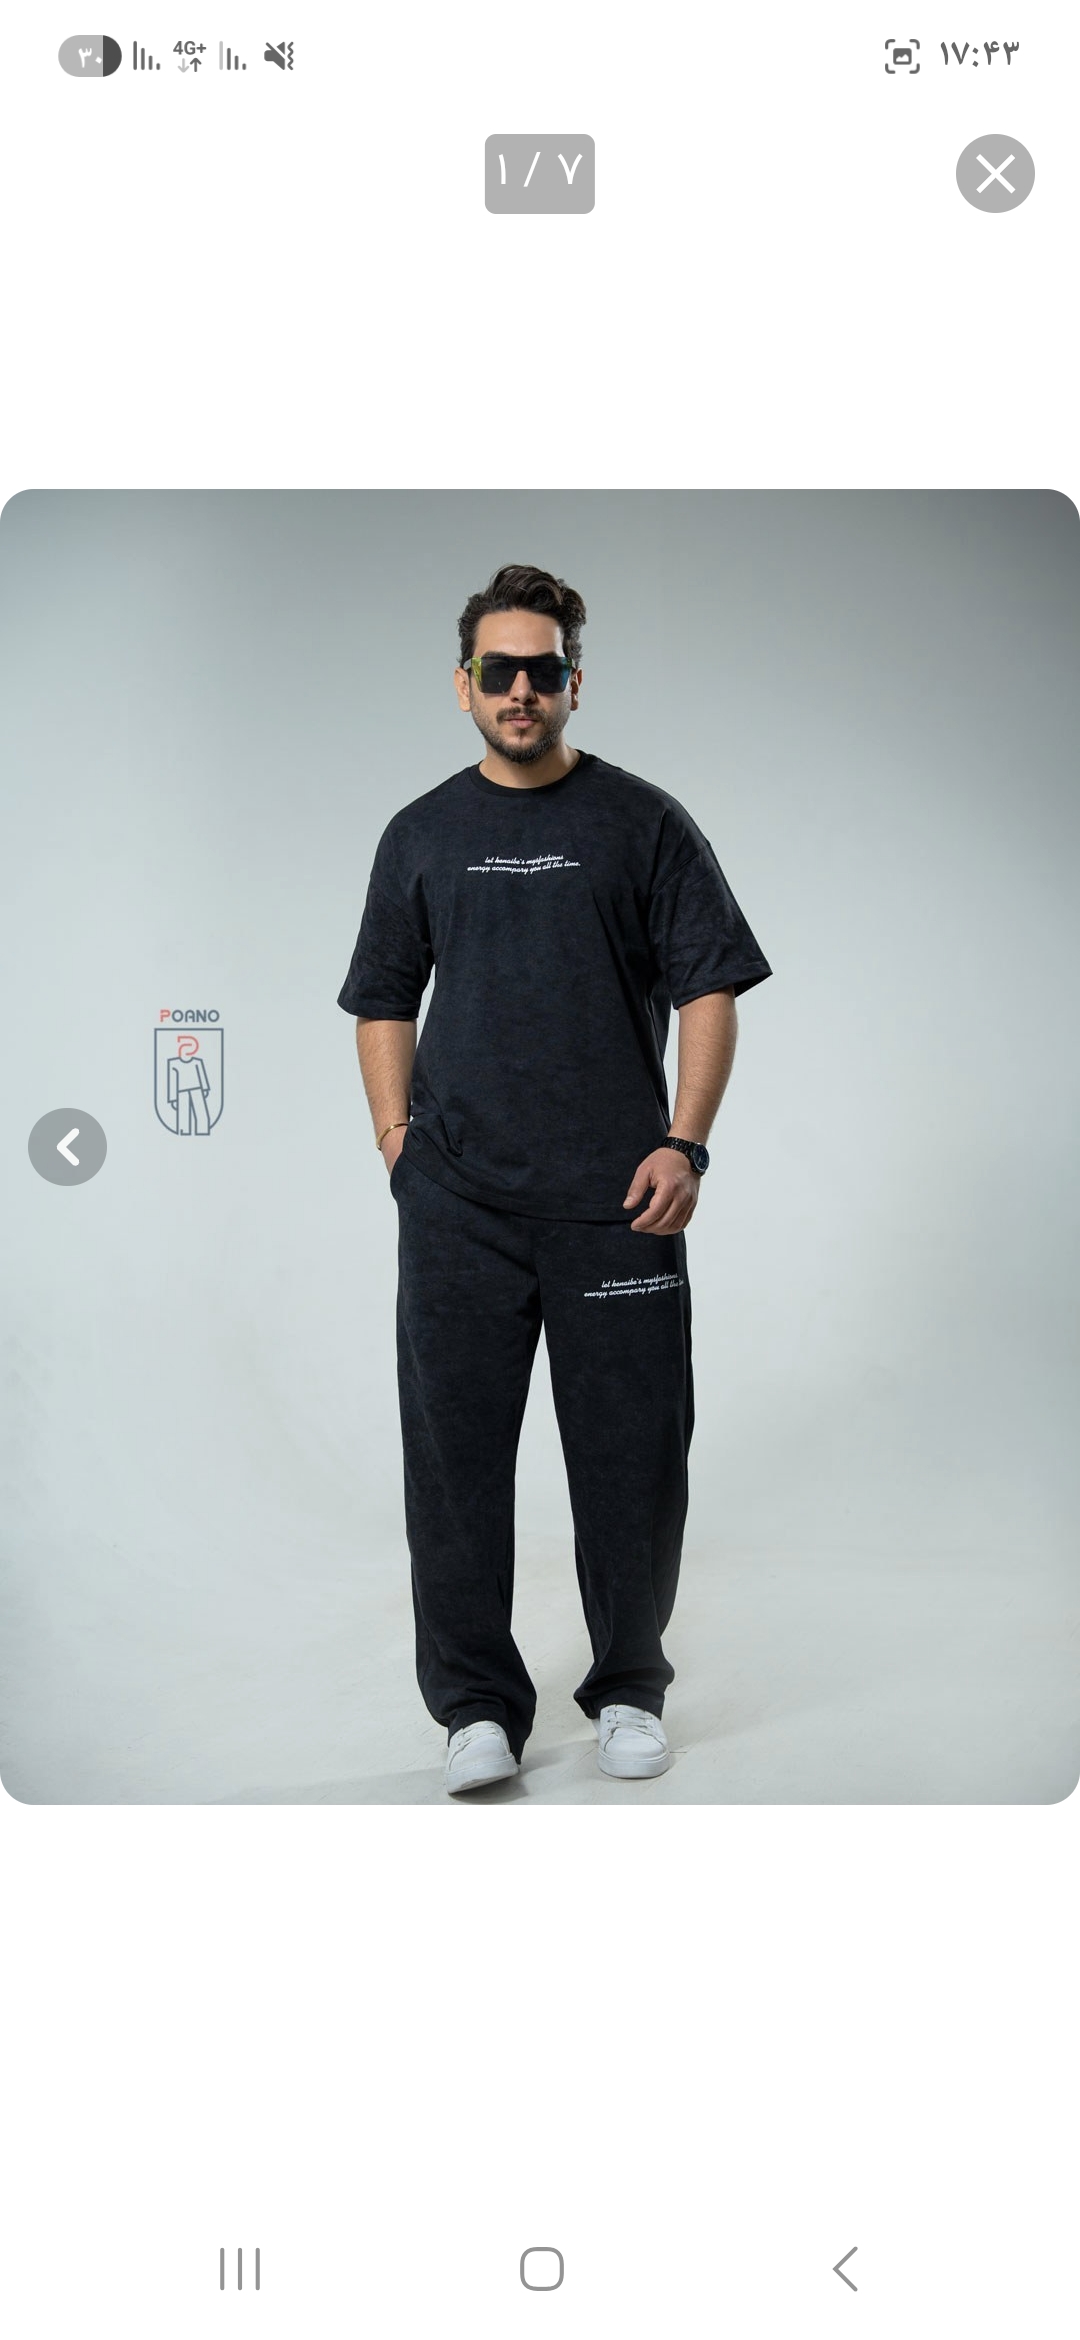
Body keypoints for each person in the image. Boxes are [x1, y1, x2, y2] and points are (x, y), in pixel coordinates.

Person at [337, 563, 772, 1795]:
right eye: (499, 670)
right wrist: (396, 1141)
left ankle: (630, 1688)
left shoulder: (643, 823)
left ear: (574, 682)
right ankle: (477, 1710)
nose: (520, 690)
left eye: (543, 670)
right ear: (464, 683)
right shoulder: (422, 833)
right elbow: (382, 998)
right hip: (458, 1207)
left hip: (620, 1204)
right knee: (455, 1467)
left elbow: (710, 988)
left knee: (633, 1463)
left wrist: (685, 1143)